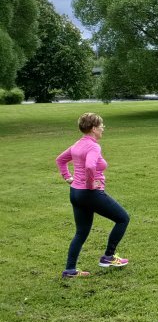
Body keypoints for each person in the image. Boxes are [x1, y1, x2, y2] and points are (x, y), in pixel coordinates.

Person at [56, 113, 131, 278]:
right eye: (101, 125)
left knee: (81, 232)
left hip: (75, 193)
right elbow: (90, 166)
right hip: (89, 193)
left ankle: (70, 270)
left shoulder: (78, 144)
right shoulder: (93, 146)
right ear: (93, 128)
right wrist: (90, 185)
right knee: (123, 218)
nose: (103, 128)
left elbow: (60, 160)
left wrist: (68, 178)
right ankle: (108, 257)